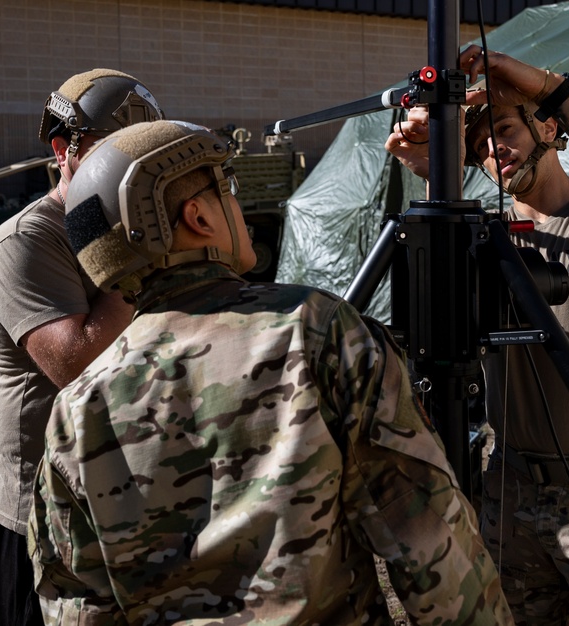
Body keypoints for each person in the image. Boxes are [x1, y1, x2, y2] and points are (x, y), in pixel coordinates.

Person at [27, 119, 512, 625]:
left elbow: (77, 606)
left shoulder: (77, 408)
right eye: (226, 189)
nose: (237, 203)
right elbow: (429, 535)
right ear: (197, 216)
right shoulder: (313, 330)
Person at [385, 45, 569, 625]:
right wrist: (432, 161)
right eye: (480, 147)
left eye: (504, 129)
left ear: (550, 128)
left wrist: (549, 87)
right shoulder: (487, 238)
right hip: (511, 485)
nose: (493, 148)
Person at [0, 69, 164, 626]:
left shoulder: (142, 224)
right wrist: (133, 257)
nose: (131, 170)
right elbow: (77, 363)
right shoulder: (27, 242)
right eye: (113, 152)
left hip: (139, 503)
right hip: (46, 517)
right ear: (64, 150)